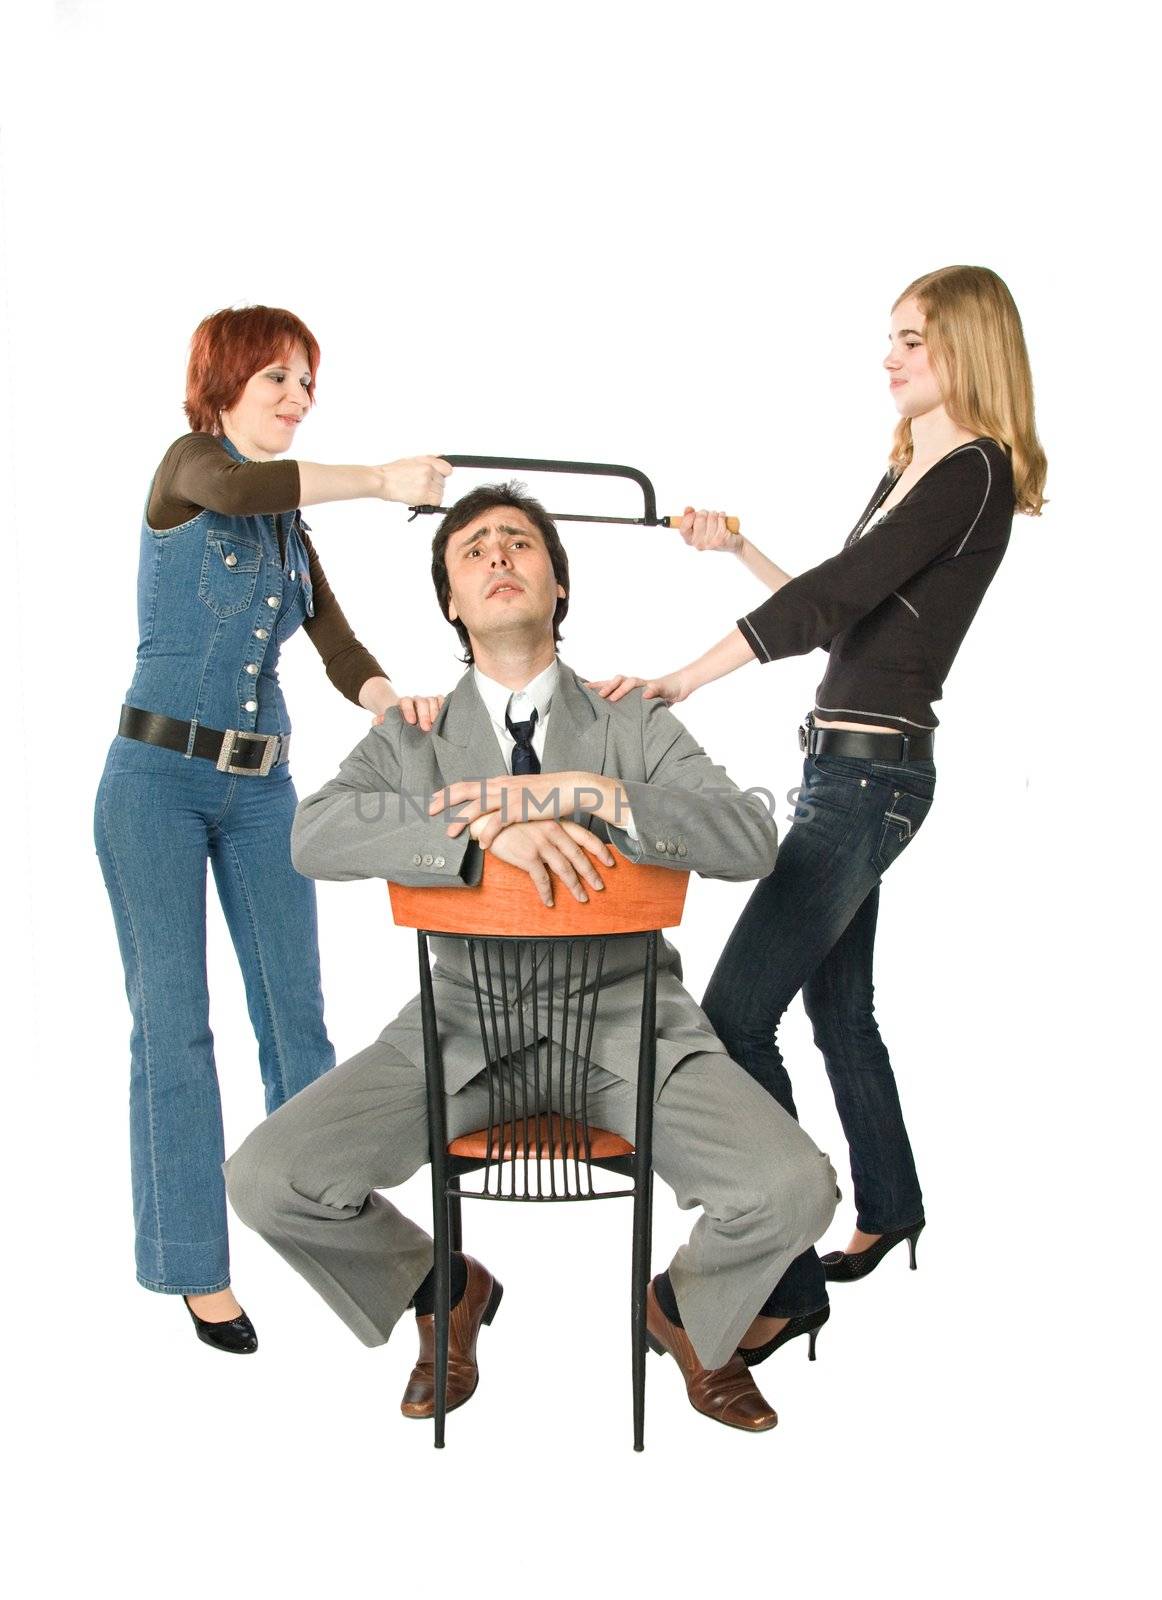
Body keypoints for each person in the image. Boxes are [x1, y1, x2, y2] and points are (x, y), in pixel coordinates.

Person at [224, 481, 839, 1432]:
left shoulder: (631, 721)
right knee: (269, 1178)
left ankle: (683, 1313)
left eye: (519, 544)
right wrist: (478, 830)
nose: (498, 557)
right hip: (461, 1026)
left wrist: (600, 793)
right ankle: (443, 1290)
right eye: (472, 551)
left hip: (635, 1027)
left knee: (794, 1191)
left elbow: (748, 836)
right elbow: (316, 834)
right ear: (452, 604)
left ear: (558, 586)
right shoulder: (411, 732)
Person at [593, 265, 1046, 1346]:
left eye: (912, 341)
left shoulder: (972, 469)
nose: (888, 357)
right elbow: (850, 616)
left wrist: (679, 678)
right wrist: (736, 548)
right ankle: (891, 1209)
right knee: (840, 1011)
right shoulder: (918, 468)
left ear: (968, 351)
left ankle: (783, 1277)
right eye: (888, 338)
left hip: (870, 778)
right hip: (847, 768)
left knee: (734, 1015)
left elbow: (833, 601)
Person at [94, 304, 451, 1353]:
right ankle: (193, 1269)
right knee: (174, 1026)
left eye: (307, 382)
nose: (296, 398)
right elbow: (244, 485)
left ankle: (338, 1235)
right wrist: (383, 479)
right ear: (225, 383)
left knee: (298, 1021)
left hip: (261, 793)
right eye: (278, 380)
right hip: (154, 782)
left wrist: (389, 697)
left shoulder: (292, 528)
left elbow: (335, 642)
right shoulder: (191, 467)